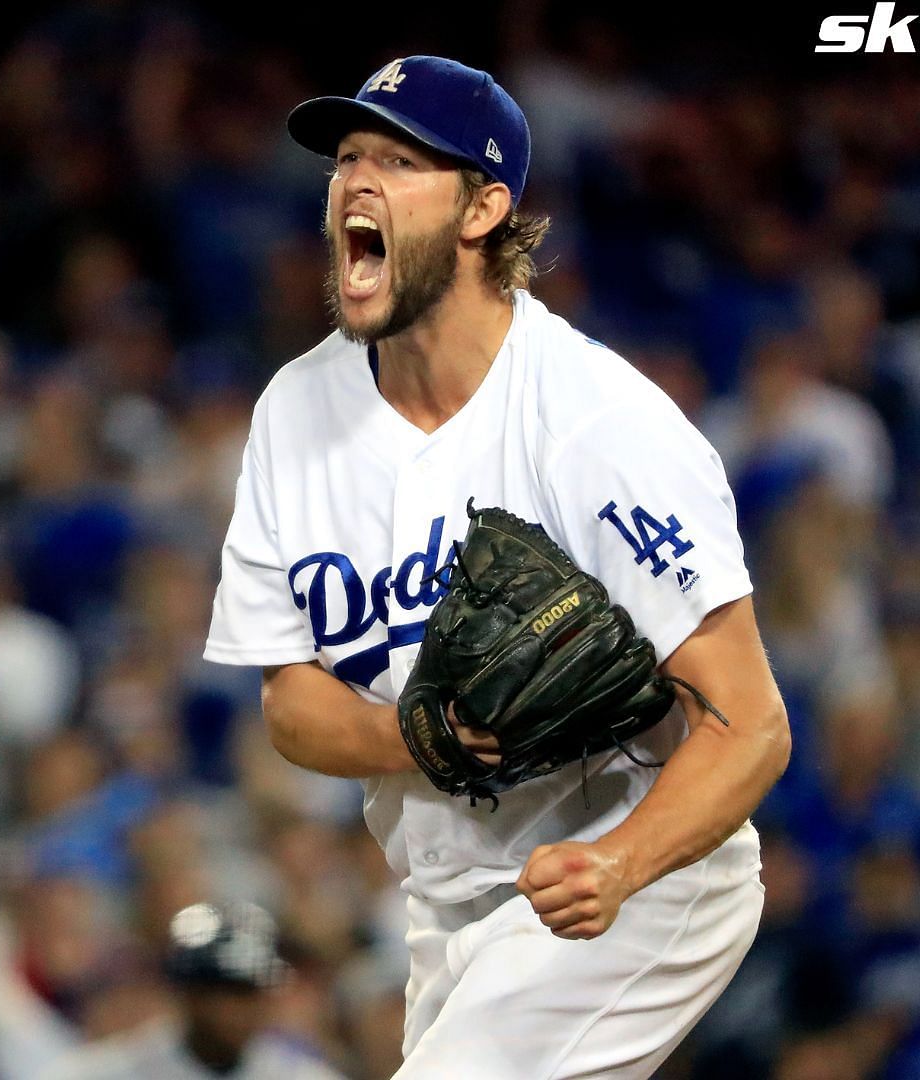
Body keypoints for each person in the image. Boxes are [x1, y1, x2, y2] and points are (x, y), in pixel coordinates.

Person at [202, 56, 791, 1078]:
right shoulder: (294, 413)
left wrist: (621, 862)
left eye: (398, 158)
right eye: (347, 158)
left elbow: (752, 726)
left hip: (639, 873)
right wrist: (419, 735)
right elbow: (291, 706)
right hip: (448, 904)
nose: (355, 181)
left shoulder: (598, 426)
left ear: (485, 209)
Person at [43, 901, 347, 1079]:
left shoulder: (298, 1074)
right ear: (188, 994)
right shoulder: (118, 1069)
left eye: (249, 993)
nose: (239, 1012)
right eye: (223, 993)